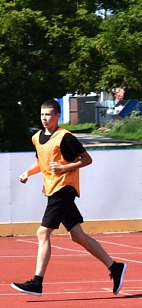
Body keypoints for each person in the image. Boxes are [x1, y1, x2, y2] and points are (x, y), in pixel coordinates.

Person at [11, 99, 127, 296]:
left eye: (48, 115)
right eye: (42, 115)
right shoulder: (37, 137)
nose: (44, 118)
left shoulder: (65, 137)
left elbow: (87, 159)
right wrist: (28, 173)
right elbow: (42, 161)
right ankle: (115, 267)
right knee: (77, 235)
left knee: (42, 233)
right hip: (51, 190)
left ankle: (37, 283)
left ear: (57, 116)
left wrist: (65, 167)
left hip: (64, 188)